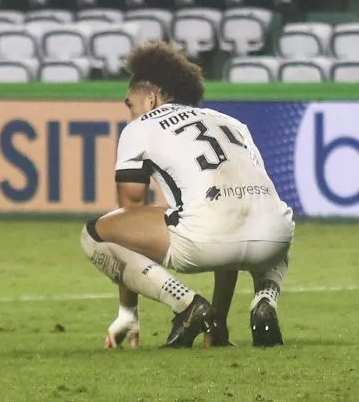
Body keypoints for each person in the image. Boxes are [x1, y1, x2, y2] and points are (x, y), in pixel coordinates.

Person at [80, 41, 294, 349]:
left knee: (94, 234)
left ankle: (187, 305)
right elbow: (237, 207)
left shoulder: (140, 127)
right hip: (274, 239)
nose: (129, 113)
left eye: (130, 104)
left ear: (151, 97)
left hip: (207, 238)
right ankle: (265, 297)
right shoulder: (233, 123)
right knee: (256, 212)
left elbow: (128, 218)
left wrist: (128, 311)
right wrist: (218, 321)